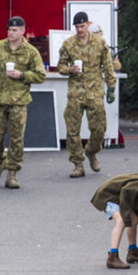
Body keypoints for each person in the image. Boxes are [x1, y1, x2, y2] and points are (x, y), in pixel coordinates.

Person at [0, 16, 46, 189]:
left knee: (17, 139)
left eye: (15, 30)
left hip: (19, 101)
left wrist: (22, 75)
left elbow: (40, 75)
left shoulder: (30, 51)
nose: (11, 33)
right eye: (9, 29)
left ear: (23, 31)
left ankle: (12, 173)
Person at [57, 11, 116, 178]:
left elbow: (108, 66)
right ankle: (78, 163)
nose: (80, 30)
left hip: (95, 91)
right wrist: (69, 69)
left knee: (99, 128)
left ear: (88, 24)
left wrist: (111, 88)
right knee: (72, 130)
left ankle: (91, 151)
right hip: (75, 92)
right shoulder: (68, 44)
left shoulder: (99, 42)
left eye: (82, 26)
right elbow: (60, 65)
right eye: (77, 27)